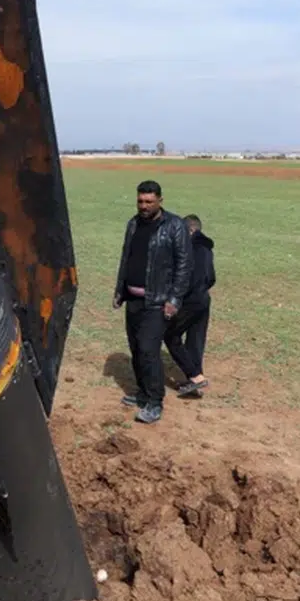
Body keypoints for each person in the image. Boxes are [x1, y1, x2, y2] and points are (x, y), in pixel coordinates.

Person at [112, 179, 192, 424]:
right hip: (134, 300)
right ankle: (143, 393)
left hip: (158, 301)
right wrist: (119, 290)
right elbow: (126, 258)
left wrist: (174, 298)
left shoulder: (175, 226)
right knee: (136, 348)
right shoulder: (133, 224)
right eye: (140, 201)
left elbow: (184, 266)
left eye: (149, 201)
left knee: (148, 350)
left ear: (160, 201)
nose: (144, 206)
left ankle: (155, 402)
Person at [164, 213, 215, 398]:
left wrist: (176, 299)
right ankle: (195, 380)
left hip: (191, 300)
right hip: (204, 299)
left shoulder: (189, 249)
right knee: (196, 339)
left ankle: (195, 376)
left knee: (170, 335)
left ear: (191, 230)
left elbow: (185, 279)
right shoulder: (207, 249)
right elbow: (211, 278)